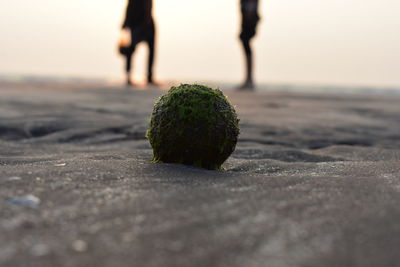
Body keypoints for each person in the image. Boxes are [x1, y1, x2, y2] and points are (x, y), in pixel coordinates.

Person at [121, 0, 156, 86]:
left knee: (151, 50)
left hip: (147, 23)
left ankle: (149, 77)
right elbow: (129, 7)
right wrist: (125, 23)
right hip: (137, 24)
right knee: (131, 49)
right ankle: (128, 76)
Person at [238, 0, 260, 90]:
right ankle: (248, 79)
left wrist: (250, 15)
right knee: (245, 44)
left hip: (249, 19)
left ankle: (249, 80)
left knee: (246, 43)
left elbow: (252, 4)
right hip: (248, 18)